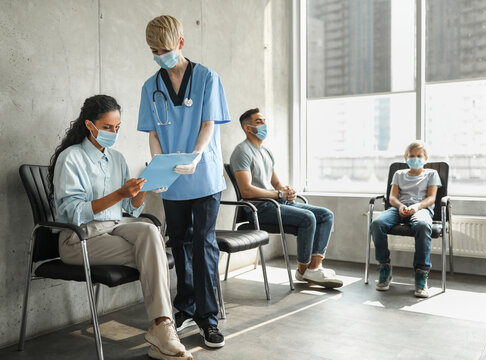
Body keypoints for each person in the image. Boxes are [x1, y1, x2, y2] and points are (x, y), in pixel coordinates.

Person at [49, 95, 192, 360]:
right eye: (107, 127)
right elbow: (72, 212)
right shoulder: (71, 158)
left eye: (117, 128)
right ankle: (163, 328)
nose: (113, 133)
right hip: (79, 239)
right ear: (89, 125)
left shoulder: (116, 158)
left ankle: (162, 326)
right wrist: (119, 193)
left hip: (115, 226)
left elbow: (132, 210)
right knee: (153, 250)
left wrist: (144, 189)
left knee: (149, 230)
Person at [137, 16, 230, 348]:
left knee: (204, 243)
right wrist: (159, 169)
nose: (159, 55)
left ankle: (208, 318)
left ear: (180, 43)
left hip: (203, 175)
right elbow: (153, 133)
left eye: (164, 49)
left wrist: (195, 156)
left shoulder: (207, 78)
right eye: (153, 50)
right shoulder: (151, 87)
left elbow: (209, 124)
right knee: (179, 242)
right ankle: (186, 306)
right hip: (172, 182)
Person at [230, 108, 343, 289]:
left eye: (264, 121)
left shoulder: (266, 152)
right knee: (308, 218)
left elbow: (276, 183)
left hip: (276, 203)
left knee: (326, 215)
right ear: (247, 127)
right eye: (259, 122)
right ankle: (304, 269)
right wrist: (278, 194)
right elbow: (246, 191)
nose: (264, 125)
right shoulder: (242, 151)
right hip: (259, 210)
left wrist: (286, 190)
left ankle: (314, 267)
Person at [370, 141, 441, 298]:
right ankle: (384, 268)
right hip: (399, 208)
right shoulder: (399, 174)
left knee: (422, 225)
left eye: (418, 156)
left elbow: (431, 198)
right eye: (411, 156)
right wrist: (401, 206)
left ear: (425, 158)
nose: (415, 159)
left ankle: (421, 273)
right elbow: (392, 197)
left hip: (421, 209)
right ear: (405, 158)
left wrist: (416, 207)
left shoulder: (431, 174)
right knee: (377, 224)